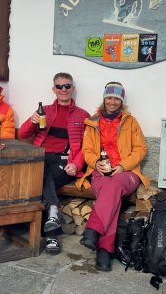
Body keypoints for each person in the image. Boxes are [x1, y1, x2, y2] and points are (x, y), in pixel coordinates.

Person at [77, 82, 150, 271]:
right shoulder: (92, 122)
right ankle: (104, 251)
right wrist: (96, 163)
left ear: (121, 101)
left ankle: (93, 231)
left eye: (116, 99)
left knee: (114, 186)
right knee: (112, 192)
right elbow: (87, 150)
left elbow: (141, 149)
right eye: (109, 97)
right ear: (104, 98)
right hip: (101, 171)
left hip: (127, 172)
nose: (112, 102)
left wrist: (123, 165)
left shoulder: (130, 121)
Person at [18, 72, 90, 255]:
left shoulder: (83, 115)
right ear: (54, 90)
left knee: (41, 176)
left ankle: (50, 221)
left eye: (67, 86)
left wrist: (77, 164)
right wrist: (32, 122)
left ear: (72, 89)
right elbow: (23, 135)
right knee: (42, 173)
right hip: (41, 157)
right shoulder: (45, 111)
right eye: (59, 86)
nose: (63, 90)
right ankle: (52, 220)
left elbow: (88, 146)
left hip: (65, 161)